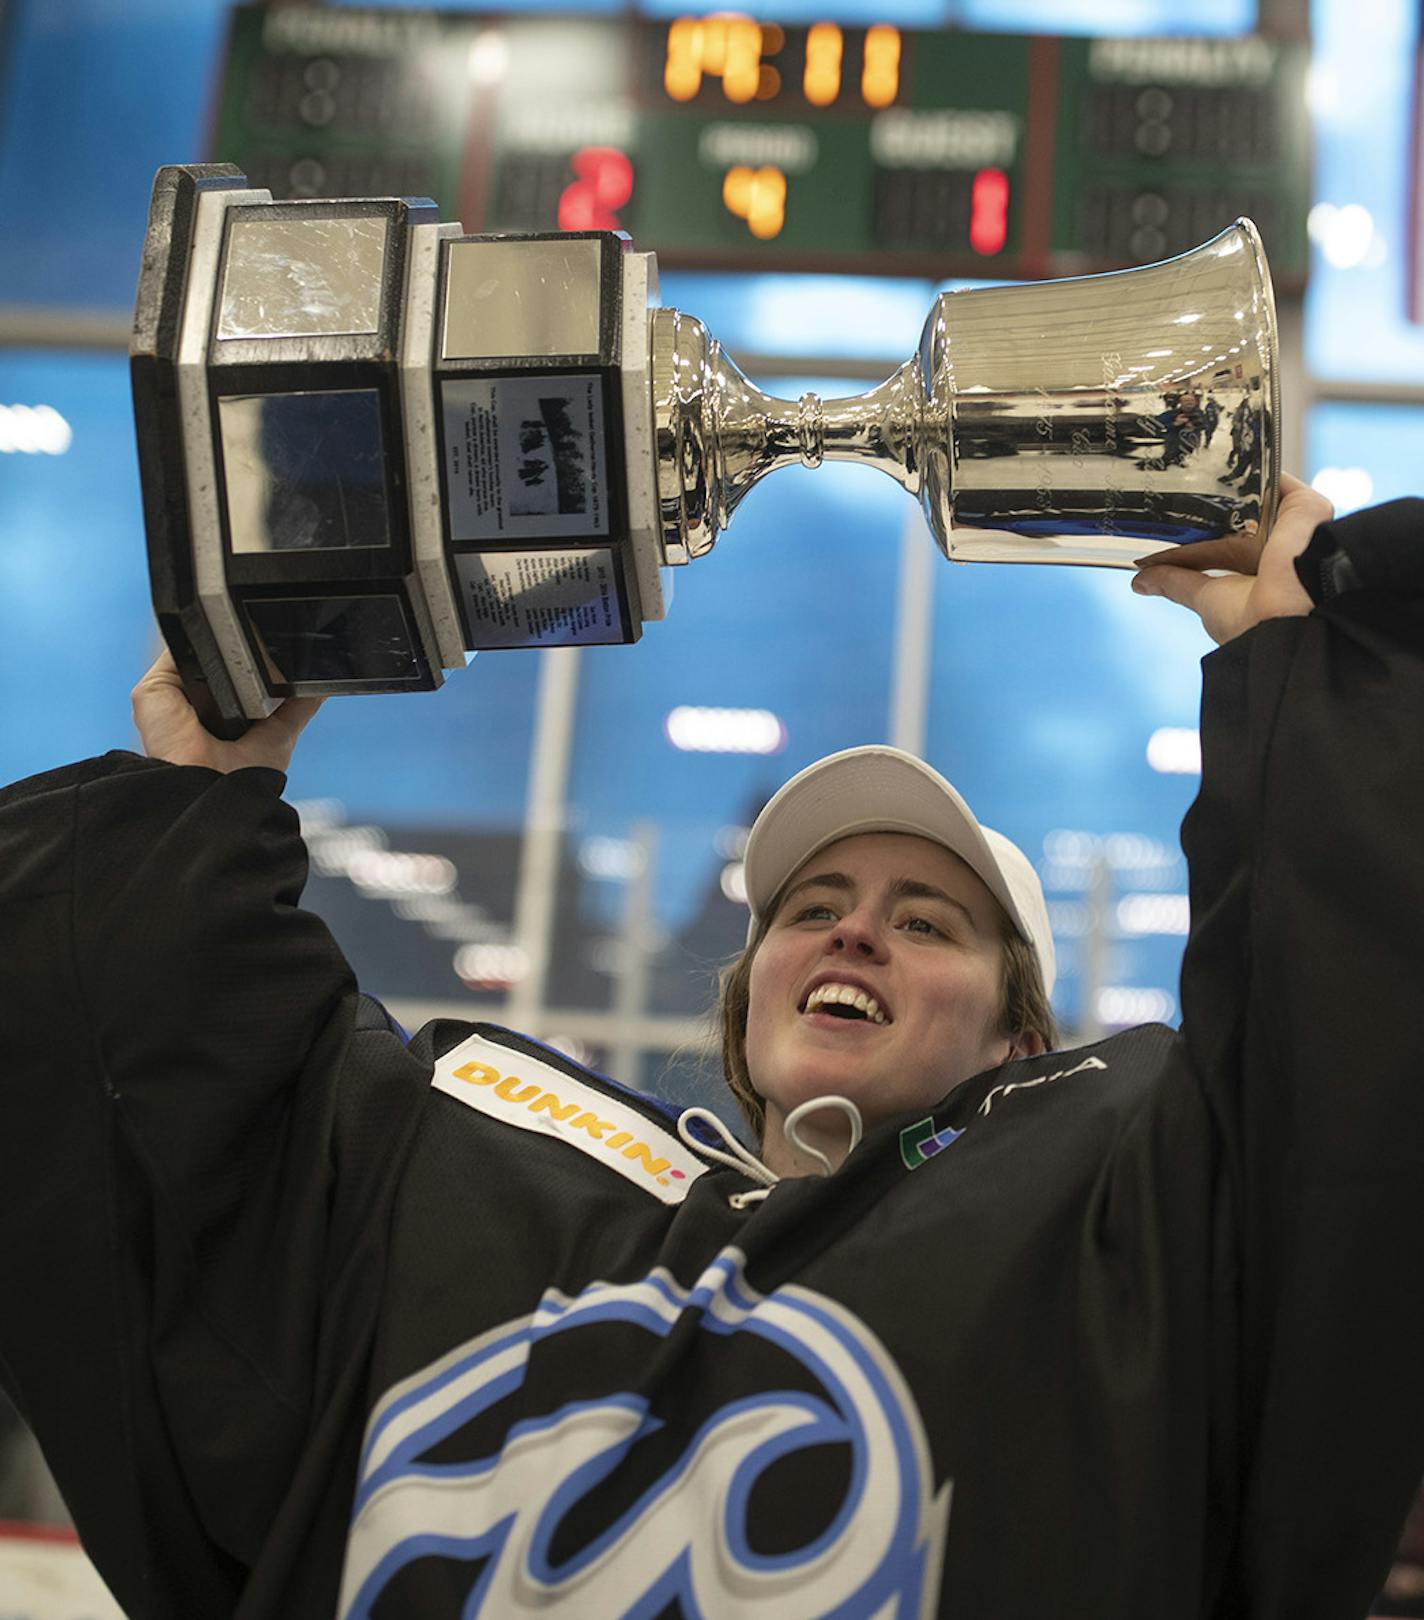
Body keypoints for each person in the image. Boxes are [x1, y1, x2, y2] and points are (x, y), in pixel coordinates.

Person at [1, 473, 1422, 1620]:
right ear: (746, 1001)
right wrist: (198, 792)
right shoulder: (516, 1173)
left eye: (926, 922)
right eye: (811, 908)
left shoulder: (1124, 1211)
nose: (852, 935)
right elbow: (186, 1141)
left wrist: (1317, 708)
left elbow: (1331, 1108)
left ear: (1022, 1039)